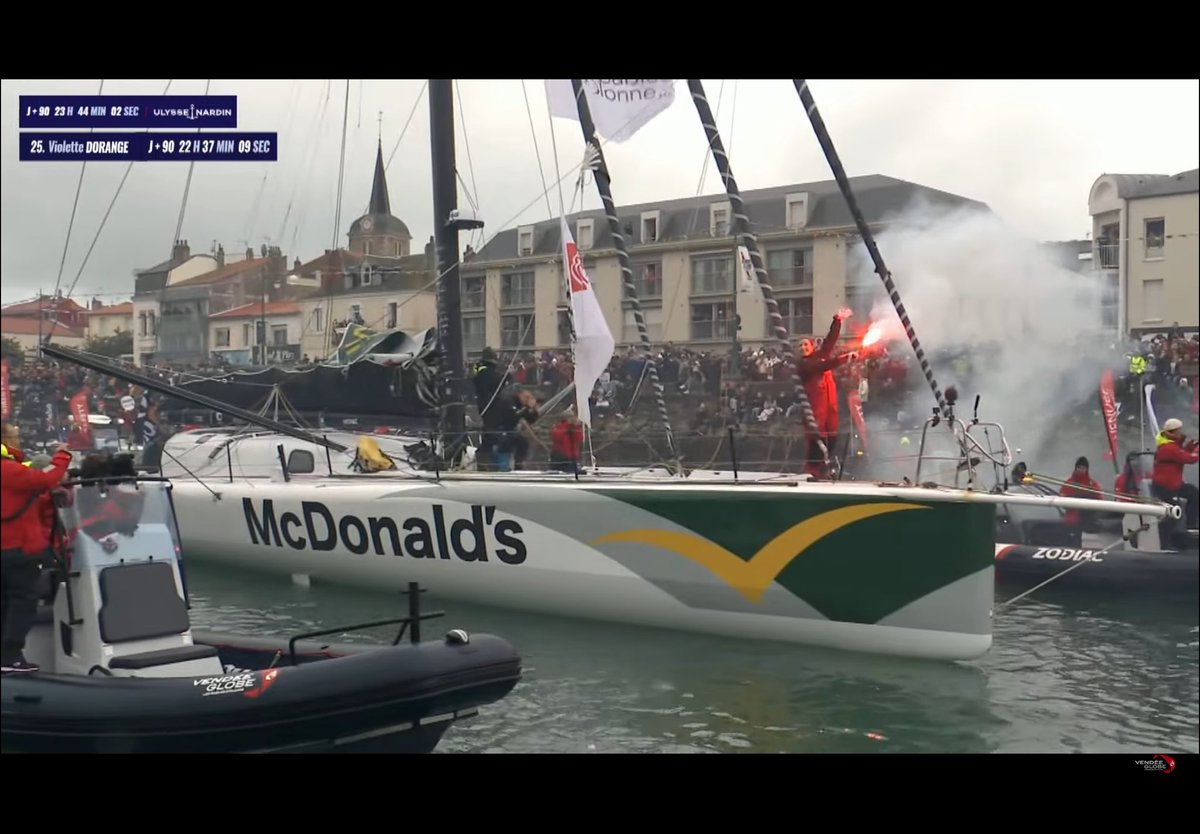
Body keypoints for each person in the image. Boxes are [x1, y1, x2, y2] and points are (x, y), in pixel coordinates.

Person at [1, 422, 73, 673]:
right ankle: (9, 656)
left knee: (6, 602)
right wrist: (63, 455)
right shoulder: (10, 470)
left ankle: (8, 655)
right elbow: (47, 477)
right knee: (22, 601)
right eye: (15, 436)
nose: (19, 441)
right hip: (18, 549)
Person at [796, 307, 857, 479]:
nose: (802, 347)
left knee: (832, 438)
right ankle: (812, 471)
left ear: (812, 346)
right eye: (799, 346)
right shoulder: (804, 366)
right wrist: (845, 358)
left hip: (830, 409)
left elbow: (830, 341)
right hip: (816, 412)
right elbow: (821, 366)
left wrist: (837, 320)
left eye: (805, 344)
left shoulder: (820, 356)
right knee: (816, 441)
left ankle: (824, 470)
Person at [1150, 417, 1199, 530]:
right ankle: (1166, 537)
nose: (1181, 432)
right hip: (1165, 485)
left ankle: (1191, 526)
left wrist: (1192, 446)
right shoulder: (1169, 448)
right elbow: (1189, 458)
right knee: (1173, 511)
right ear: (1174, 432)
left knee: (1194, 494)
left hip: (1173, 483)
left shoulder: (1170, 445)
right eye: (1179, 430)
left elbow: (1181, 453)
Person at [1059, 456, 1103, 532]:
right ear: (1075, 468)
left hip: (1089, 518)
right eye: (1079, 467)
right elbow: (1062, 500)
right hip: (1072, 518)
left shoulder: (1093, 484)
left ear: (1087, 469)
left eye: (1083, 468)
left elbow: (1100, 500)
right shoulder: (1069, 483)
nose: (1081, 470)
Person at [549, 407, 584, 473]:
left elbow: (579, 438)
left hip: (571, 456)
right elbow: (557, 438)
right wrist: (569, 426)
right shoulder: (559, 427)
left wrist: (576, 426)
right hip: (562, 456)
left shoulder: (573, 428)